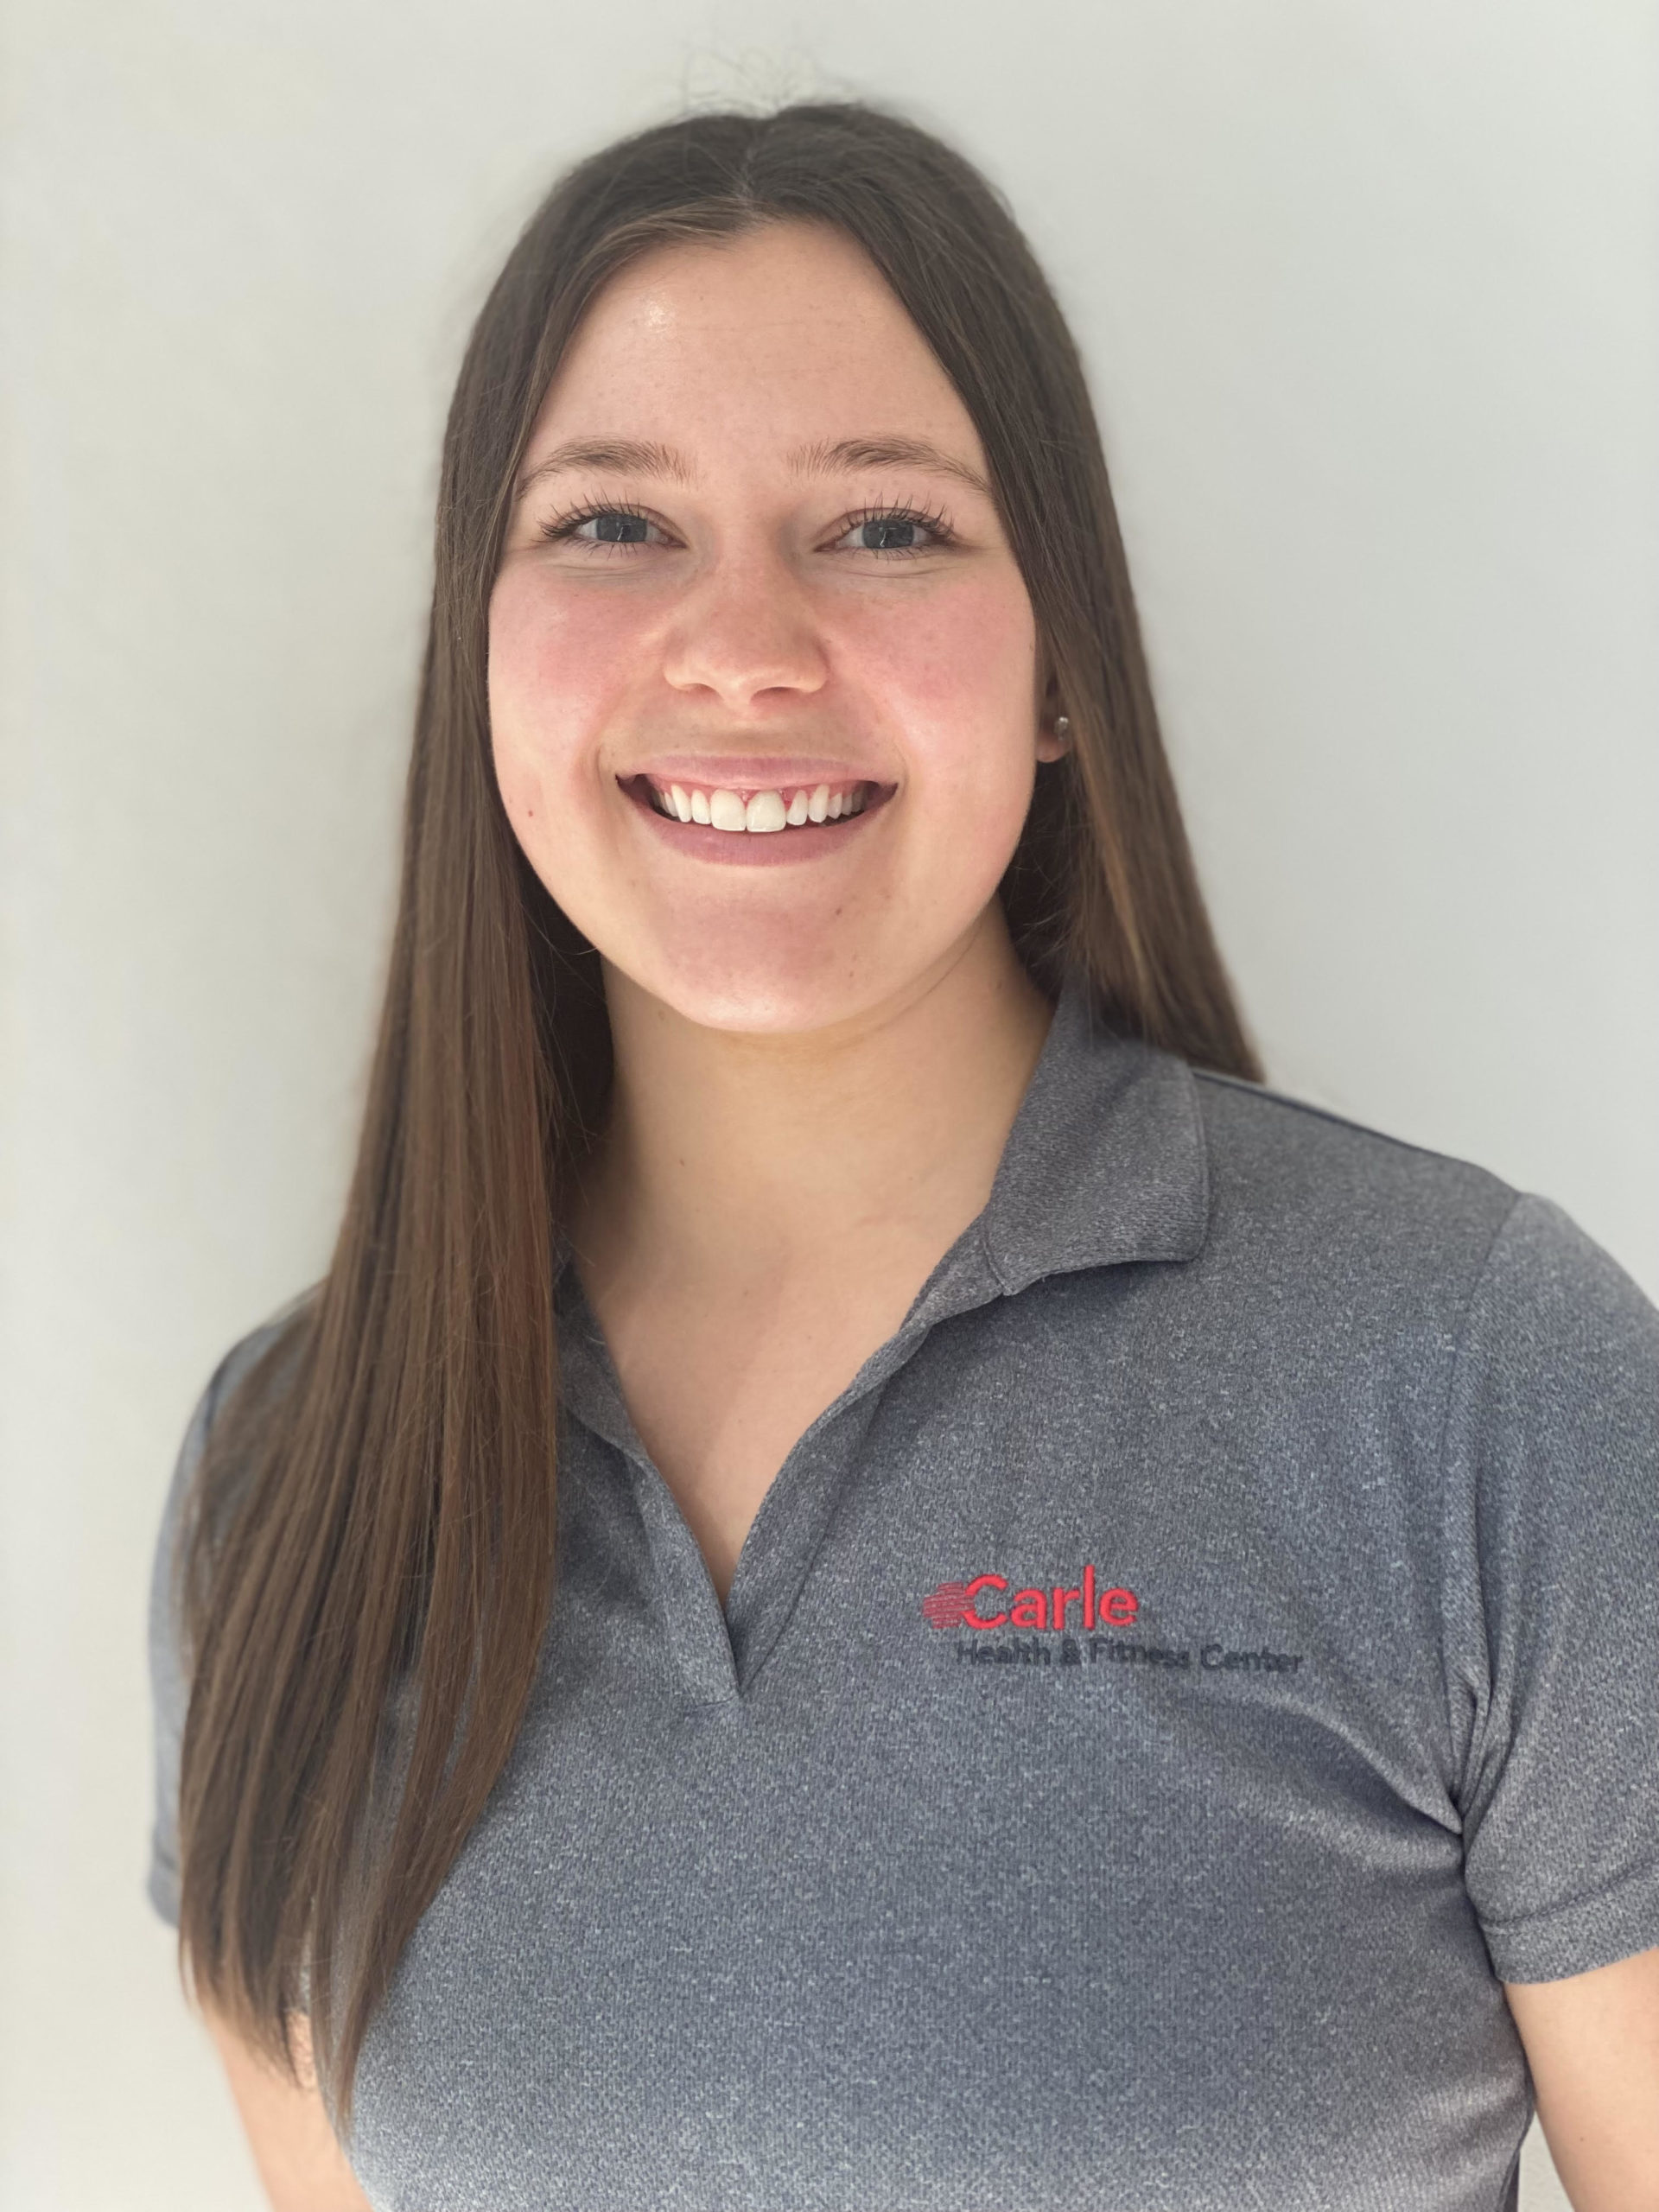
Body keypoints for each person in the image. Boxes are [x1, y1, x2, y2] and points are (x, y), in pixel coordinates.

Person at [145, 102, 1659, 2212]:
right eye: (613, 523)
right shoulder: (292, 1485)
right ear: (477, 653)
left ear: (1061, 671)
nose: (744, 647)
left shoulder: (1478, 1382)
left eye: (883, 528)